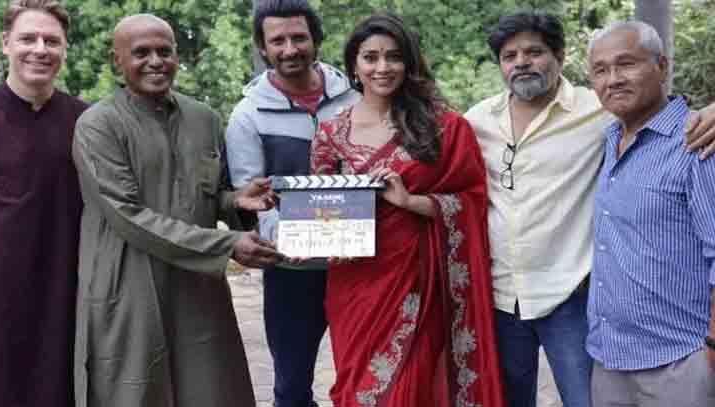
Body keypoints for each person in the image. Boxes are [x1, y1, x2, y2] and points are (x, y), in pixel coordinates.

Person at [463, 11, 715, 407]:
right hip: (503, 296)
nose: (522, 62)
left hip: (571, 298)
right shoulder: (477, 120)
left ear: (560, 57)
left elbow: (660, 113)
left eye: (534, 52)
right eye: (510, 56)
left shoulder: (598, 111)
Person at [72, 14, 284, 407]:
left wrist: (236, 201)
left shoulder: (203, 119)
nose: (155, 61)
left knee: (210, 389)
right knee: (135, 390)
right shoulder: (97, 125)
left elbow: (206, 196)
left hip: (197, 285)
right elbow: (128, 215)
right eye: (141, 53)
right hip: (130, 281)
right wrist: (226, 245)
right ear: (117, 60)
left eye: (164, 51)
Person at [310, 13, 505, 407]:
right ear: (354, 65)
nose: (382, 67)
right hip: (354, 283)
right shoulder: (330, 133)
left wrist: (411, 202)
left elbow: (473, 200)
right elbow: (321, 213)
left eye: (394, 56)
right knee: (359, 390)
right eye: (370, 57)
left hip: (418, 282)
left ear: (409, 62)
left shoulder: (444, 127)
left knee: (408, 388)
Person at [225, 1, 359, 406]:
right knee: (291, 386)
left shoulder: (356, 99)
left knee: (366, 377)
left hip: (359, 266)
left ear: (316, 40)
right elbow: (252, 198)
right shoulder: (248, 115)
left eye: (298, 37)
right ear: (262, 47)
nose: (289, 49)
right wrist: (291, 241)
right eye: (277, 40)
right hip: (291, 271)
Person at [0, 1, 87, 406]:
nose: (40, 49)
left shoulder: (86, 123)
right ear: (5, 43)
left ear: (65, 49)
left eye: (52, 41)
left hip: (63, 302)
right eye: (28, 38)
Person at [585, 21, 715, 407]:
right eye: (601, 70)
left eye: (626, 64)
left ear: (662, 66)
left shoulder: (697, 141)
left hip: (680, 361)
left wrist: (711, 349)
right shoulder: (609, 138)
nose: (613, 79)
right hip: (609, 358)